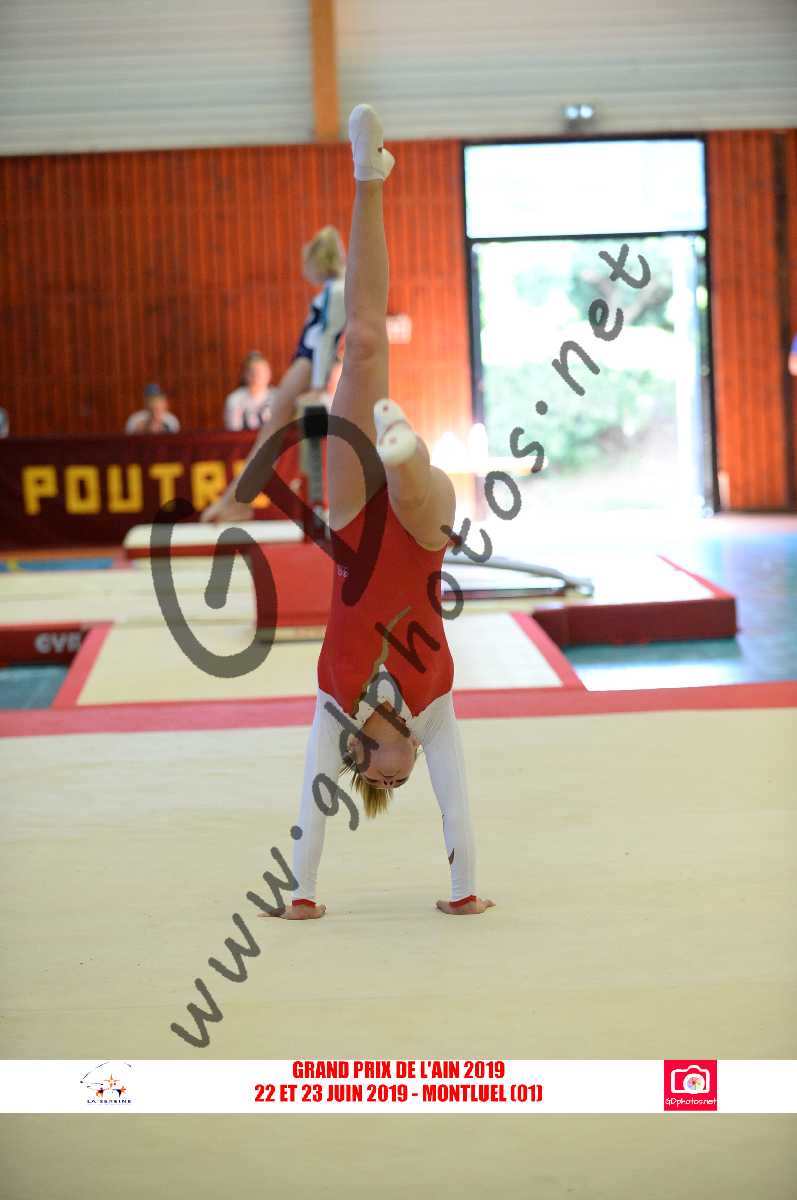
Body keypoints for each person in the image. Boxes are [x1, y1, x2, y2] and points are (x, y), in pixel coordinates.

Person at [263, 104, 494, 921]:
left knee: (361, 344)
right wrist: (462, 894)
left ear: (358, 757)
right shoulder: (434, 714)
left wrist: (300, 896)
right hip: (421, 535)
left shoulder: (333, 707)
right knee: (422, 498)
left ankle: (369, 174)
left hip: (353, 529)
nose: (399, 775)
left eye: (381, 778)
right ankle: (405, 454)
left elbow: (308, 808)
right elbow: (457, 808)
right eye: (403, 777)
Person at [200, 226, 346, 523]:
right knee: (270, 435)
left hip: (308, 364)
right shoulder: (335, 288)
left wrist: (318, 386)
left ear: (320, 260)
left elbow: (327, 340)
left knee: (270, 435)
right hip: (307, 362)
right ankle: (236, 500)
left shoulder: (339, 290)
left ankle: (237, 501)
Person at [223, 351, 276, 431]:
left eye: (262, 371)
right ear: (245, 374)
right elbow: (233, 430)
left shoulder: (278, 396)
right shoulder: (235, 399)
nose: (258, 375)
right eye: (253, 371)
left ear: (269, 373)